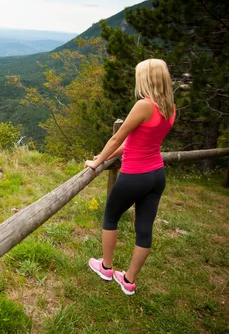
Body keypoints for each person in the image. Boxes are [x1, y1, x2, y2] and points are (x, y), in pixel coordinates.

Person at [85, 58, 176, 295]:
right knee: (144, 229)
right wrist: (106, 157)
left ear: (145, 79)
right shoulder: (169, 107)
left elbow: (118, 138)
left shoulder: (144, 105)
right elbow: (135, 143)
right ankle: (128, 281)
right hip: (157, 175)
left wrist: (96, 162)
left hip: (136, 174)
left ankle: (105, 268)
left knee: (110, 217)